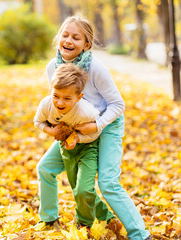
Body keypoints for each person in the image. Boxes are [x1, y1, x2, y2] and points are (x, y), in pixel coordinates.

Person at [36, 16, 151, 240]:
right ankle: (49, 219)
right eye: (65, 35)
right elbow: (59, 102)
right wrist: (56, 128)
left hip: (106, 125)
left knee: (107, 183)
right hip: (77, 129)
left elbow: (118, 104)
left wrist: (96, 125)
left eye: (76, 37)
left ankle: (140, 234)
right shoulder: (53, 67)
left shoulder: (96, 69)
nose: (69, 40)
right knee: (45, 169)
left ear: (87, 44)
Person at [34, 63, 115, 228]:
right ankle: (49, 218)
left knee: (83, 190)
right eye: (56, 95)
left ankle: (85, 223)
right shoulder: (47, 104)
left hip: (88, 147)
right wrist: (51, 131)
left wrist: (78, 137)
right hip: (65, 147)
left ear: (79, 97)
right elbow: (38, 122)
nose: (60, 102)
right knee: (45, 168)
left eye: (67, 98)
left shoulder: (86, 112)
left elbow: (95, 133)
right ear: (51, 90)